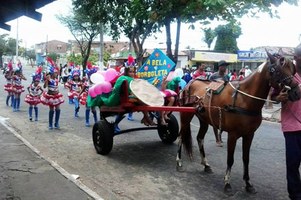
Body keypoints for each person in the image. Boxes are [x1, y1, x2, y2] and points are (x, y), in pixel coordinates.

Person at [271, 44, 301, 200]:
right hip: (292, 127)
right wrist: (278, 98)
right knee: (293, 164)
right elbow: (273, 96)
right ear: (296, 59)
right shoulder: (286, 75)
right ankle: (295, 195)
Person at [209, 60, 230, 146]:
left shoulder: (227, 77)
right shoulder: (213, 76)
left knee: (224, 119)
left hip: (224, 100)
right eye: (223, 66)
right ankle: (217, 139)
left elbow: (228, 87)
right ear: (219, 67)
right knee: (215, 119)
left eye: (225, 66)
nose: (225, 68)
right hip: (214, 99)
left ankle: (220, 134)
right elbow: (209, 87)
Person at [40, 57, 64, 130]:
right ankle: (50, 124)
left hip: (56, 96)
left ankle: (56, 123)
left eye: (57, 73)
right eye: (55, 73)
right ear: (52, 73)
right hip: (50, 96)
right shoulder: (49, 79)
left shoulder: (57, 79)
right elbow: (44, 86)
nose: (56, 74)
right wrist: (46, 80)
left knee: (58, 109)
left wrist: (56, 63)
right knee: (51, 110)